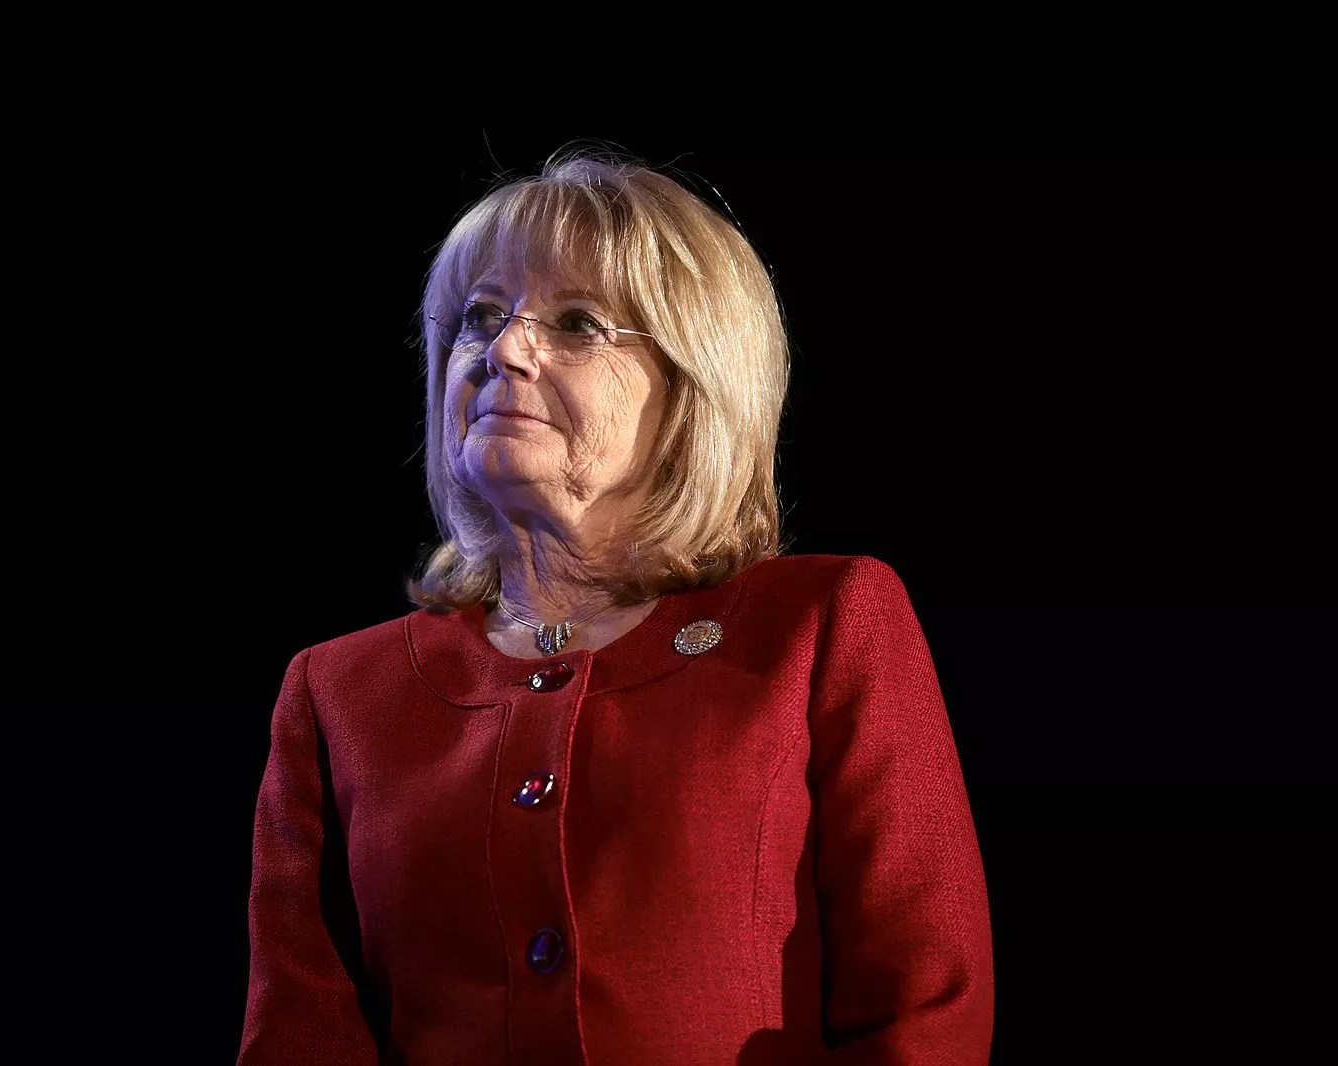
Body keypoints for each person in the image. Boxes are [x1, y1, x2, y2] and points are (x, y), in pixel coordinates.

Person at [236, 146, 993, 1064]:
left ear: (692, 384)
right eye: (481, 317)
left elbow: (925, 1009)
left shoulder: (820, 626)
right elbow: (299, 1037)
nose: (504, 349)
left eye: (576, 323)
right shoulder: (340, 693)